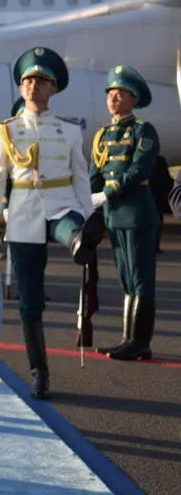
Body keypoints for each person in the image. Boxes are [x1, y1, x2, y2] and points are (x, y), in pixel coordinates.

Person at [0, 46, 102, 399]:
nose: (33, 86)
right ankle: (39, 371)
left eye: (41, 81)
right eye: (28, 81)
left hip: (62, 205)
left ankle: (82, 241)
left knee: (71, 229)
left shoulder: (70, 131)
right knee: (29, 302)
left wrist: (90, 213)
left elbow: (80, 178)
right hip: (23, 212)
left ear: (53, 90)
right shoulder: (6, 130)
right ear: (21, 88)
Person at [90, 66, 160, 360]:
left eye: (121, 95)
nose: (114, 99)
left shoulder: (143, 130)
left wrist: (108, 191)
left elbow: (139, 169)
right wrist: (84, 204)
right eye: (111, 94)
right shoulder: (103, 135)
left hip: (137, 212)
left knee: (141, 278)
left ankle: (140, 341)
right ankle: (127, 339)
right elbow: (95, 174)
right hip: (113, 215)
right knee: (126, 279)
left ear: (134, 100)